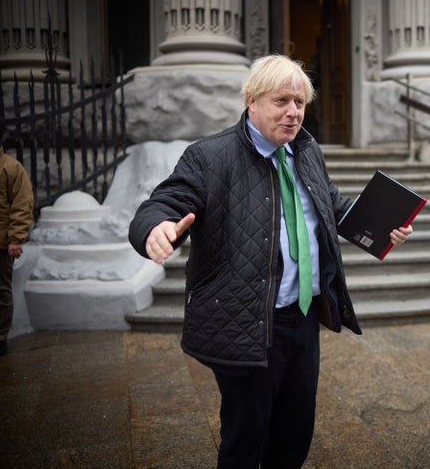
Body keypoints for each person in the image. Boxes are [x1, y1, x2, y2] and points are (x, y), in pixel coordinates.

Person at [128, 55, 411, 468]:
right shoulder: (210, 157)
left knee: (294, 435)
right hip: (247, 322)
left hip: (304, 317)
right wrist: (155, 228)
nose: (293, 112)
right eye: (282, 101)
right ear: (252, 101)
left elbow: (332, 207)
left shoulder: (306, 152)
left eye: (300, 103)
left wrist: (384, 227)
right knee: (246, 440)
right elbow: (164, 203)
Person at [0, 140, 34, 357]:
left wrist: (16, 238)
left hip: (2, 243)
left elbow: (22, 204)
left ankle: (0, 336)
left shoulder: (10, 167)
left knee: (1, 291)